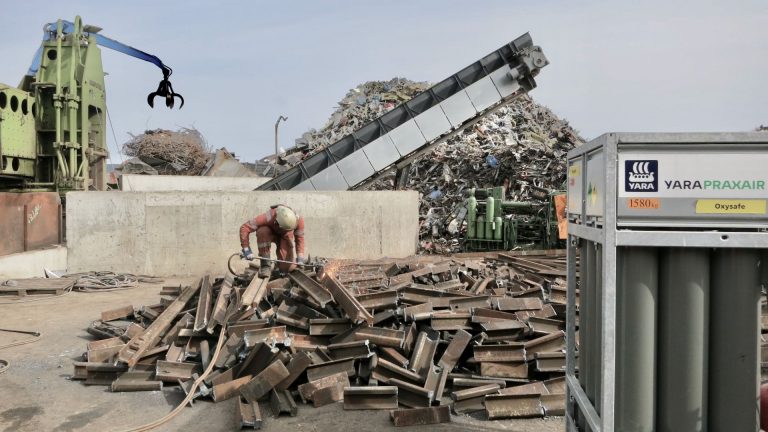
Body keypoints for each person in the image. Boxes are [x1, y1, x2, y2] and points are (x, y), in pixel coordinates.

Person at [239, 204, 305, 277]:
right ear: (276, 222)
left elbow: (300, 239)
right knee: (262, 231)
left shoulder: (299, 220)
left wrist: (300, 259)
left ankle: (278, 265)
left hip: (285, 237)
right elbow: (245, 228)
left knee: (287, 269)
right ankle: (265, 265)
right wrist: (246, 250)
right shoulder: (269, 216)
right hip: (269, 233)